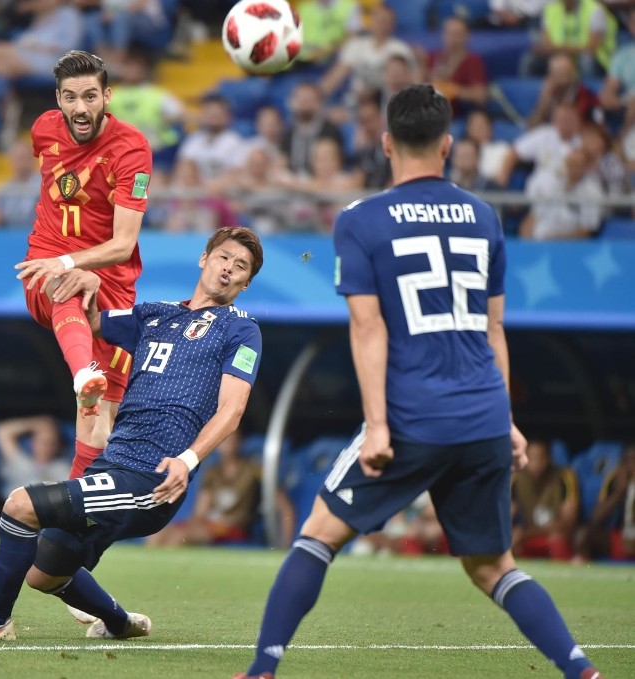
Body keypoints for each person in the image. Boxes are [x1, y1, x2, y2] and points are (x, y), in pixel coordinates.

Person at [235, 84, 603, 679]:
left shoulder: (361, 220)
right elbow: (496, 328)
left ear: (386, 143)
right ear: (448, 144)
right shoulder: (483, 216)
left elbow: (367, 326)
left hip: (412, 416)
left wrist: (378, 425)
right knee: (493, 567)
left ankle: (260, 671)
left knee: (317, 535)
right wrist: (506, 420)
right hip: (482, 415)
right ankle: (582, 670)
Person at [0, 227, 264, 641]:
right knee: (44, 572)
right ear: (203, 259)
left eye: (241, 267)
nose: (229, 269)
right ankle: (120, 622)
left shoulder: (241, 329)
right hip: (112, 463)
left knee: (20, 505)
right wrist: (89, 279)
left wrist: (188, 459)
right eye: (224, 257)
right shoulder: (154, 314)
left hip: (151, 476)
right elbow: (86, 320)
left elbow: (232, 410)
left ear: (247, 283)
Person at [13, 50, 153, 480]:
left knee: (99, 421)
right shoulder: (43, 130)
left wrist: (75, 260)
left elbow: (124, 242)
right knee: (65, 282)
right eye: (70, 97)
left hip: (110, 282)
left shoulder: (132, 149)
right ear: (58, 98)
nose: (80, 107)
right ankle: (81, 373)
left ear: (106, 96)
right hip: (46, 264)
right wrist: (62, 260)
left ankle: (77, 520)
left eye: (90, 96)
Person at [148, 430, 296, 548]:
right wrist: (194, 522)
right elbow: (201, 510)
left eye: (232, 438)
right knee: (157, 534)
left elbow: (284, 506)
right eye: (224, 440)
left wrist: (284, 545)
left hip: (233, 527)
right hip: (209, 524)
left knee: (180, 537)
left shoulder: (254, 470)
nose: (227, 443)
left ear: (240, 441)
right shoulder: (213, 472)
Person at [0, 415, 72, 535]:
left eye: (51, 443)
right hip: (8, 509)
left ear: (58, 446)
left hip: (39, 514)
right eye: (42, 442)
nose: (46, 447)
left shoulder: (61, 468)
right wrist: (35, 423)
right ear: (32, 443)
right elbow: (2, 431)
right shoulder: (19, 459)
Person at [510, 439, 579, 560]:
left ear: (549, 458)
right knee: (509, 542)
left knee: (557, 540)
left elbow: (567, 524)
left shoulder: (565, 477)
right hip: (528, 538)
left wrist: (526, 533)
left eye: (540, 457)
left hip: (552, 538)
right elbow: (506, 517)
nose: (536, 463)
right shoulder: (516, 479)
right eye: (532, 458)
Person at [575, 443, 635, 562]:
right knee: (584, 536)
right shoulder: (615, 479)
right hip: (620, 539)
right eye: (630, 460)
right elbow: (595, 518)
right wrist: (619, 493)